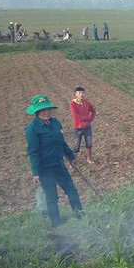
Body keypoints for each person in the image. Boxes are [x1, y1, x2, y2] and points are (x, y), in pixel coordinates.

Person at [25, 95, 83, 228]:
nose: (46, 112)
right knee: (52, 198)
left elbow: (61, 142)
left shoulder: (55, 123)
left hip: (59, 165)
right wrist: (36, 172)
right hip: (45, 169)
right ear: (37, 112)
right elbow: (33, 152)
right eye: (42, 110)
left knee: (72, 191)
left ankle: (80, 216)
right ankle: (57, 224)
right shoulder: (32, 129)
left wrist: (71, 157)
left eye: (48, 109)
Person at [69, 87, 97, 164]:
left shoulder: (87, 103)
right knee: (76, 145)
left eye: (83, 93)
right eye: (79, 93)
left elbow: (93, 111)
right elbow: (75, 116)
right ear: (75, 94)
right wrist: (87, 118)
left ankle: (89, 159)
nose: (81, 94)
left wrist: (91, 118)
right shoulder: (72, 103)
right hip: (78, 128)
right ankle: (73, 161)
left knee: (89, 144)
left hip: (87, 127)